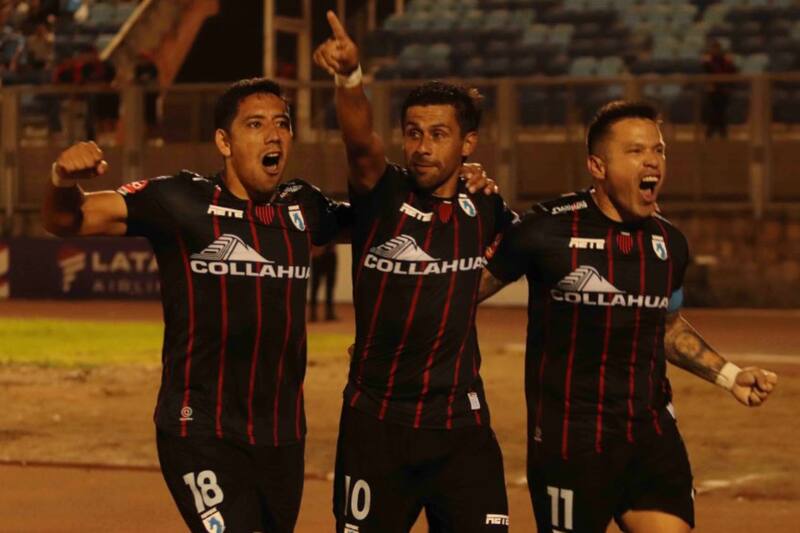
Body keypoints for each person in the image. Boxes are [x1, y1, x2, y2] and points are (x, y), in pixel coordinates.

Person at [41, 77, 351, 533]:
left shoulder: (305, 206)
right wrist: (61, 179)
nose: (272, 135)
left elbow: (385, 219)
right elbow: (69, 219)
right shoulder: (179, 199)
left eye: (282, 125)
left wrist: (455, 184)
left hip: (282, 436)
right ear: (224, 141)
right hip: (199, 429)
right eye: (255, 124)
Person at [478, 100, 778, 533]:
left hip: (650, 434)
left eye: (658, 150)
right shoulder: (545, 230)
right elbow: (460, 297)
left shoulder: (670, 243)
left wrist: (730, 375)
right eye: (636, 151)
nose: (652, 160)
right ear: (597, 166)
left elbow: (668, 326)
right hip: (571, 444)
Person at [314, 12, 515, 532]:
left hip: (462, 429)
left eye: (439, 135)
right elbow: (360, 144)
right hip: (376, 425)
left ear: (467, 144)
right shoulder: (383, 194)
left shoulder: (487, 206)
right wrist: (349, 78)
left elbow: (524, 258)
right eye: (413, 133)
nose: (423, 147)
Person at [702, 39, 737, 139]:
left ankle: (722, 135)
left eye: (716, 48)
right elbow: (706, 73)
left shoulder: (725, 61)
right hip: (712, 92)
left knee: (721, 113)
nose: (715, 50)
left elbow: (732, 72)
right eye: (713, 48)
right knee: (712, 113)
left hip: (724, 91)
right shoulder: (708, 62)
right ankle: (710, 135)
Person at [309, 241, 338, 322]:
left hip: (330, 254)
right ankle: (313, 314)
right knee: (315, 285)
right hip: (318, 254)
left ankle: (329, 313)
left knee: (330, 286)